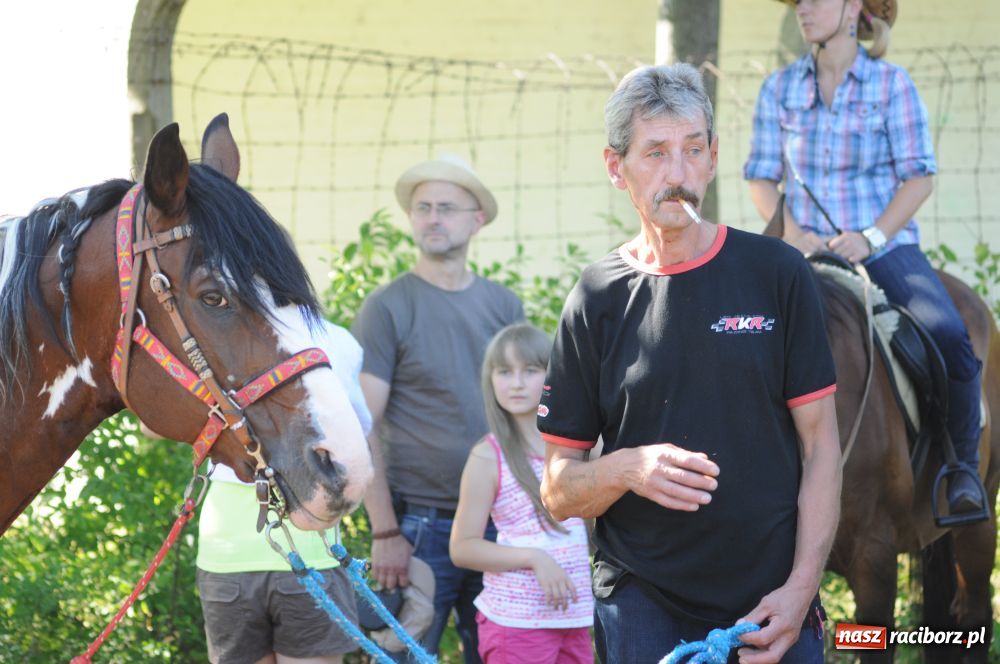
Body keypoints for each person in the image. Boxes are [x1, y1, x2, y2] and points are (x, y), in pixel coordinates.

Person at [538, 63, 843, 664]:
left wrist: (802, 586)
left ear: (712, 157)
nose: (676, 174)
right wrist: (627, 468)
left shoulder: (777, 273)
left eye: (692, 149)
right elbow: (557, 489)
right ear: (615, 166)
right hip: (644, 599)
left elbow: (822, 448)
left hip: (773, 600)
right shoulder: (596, 296)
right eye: (655, 153)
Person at [743, 0, 987, 520]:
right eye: (798, 3)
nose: (803, 10)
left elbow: (919, 176)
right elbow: (761, 177)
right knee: (732, 332)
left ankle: (960, 469)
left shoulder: (891, 85)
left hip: (884, 247)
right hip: (801, 253)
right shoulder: (779, 88)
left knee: (949, 338)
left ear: (854, 7)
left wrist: (870, 236)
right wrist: (796, 235)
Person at [352, 154, 525, 662]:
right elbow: (364, 425)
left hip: (501, 523)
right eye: (422, 207)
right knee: (403, 657)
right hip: (418, 528)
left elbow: (526, 416)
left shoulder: (504, 306)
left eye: (446, 208)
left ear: (477, 219)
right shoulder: (387, 307)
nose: (431, 218)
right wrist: (384, 531)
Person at [192, 320, 371, 664]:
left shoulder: (211, 332)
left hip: (229, 550)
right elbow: (358, 434)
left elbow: (152, 424)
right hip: (311, 546)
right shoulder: (338, 340)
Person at [450, 323, 594, 664]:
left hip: (574, 619)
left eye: (529, 370)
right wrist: (535, 558)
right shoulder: (488, 457)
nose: (515, 383)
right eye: (504, 371)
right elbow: (462, 547)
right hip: (516, 626)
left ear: (553, 374)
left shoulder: (577, 450)